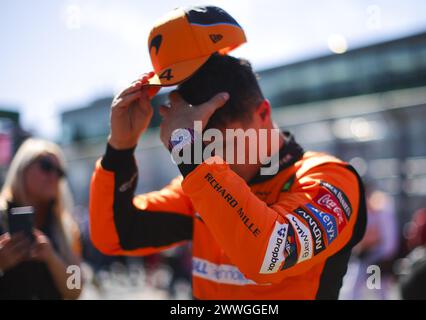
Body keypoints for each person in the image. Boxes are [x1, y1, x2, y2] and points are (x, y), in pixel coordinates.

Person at [89, 6, 367, 299]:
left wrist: (188, 148)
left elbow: (269, 255)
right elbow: (114, 235)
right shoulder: (201, 187)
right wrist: (120, 148)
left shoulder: (330, 178)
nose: (216, 162)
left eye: (223, 145)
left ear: (263, 114)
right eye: (204, 150)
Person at [0, 139, 82, 299]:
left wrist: (51, 258)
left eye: (60, 172)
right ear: (22, 167)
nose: (53, 176)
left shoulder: (66, 227)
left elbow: (75, 288)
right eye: (46, 166)